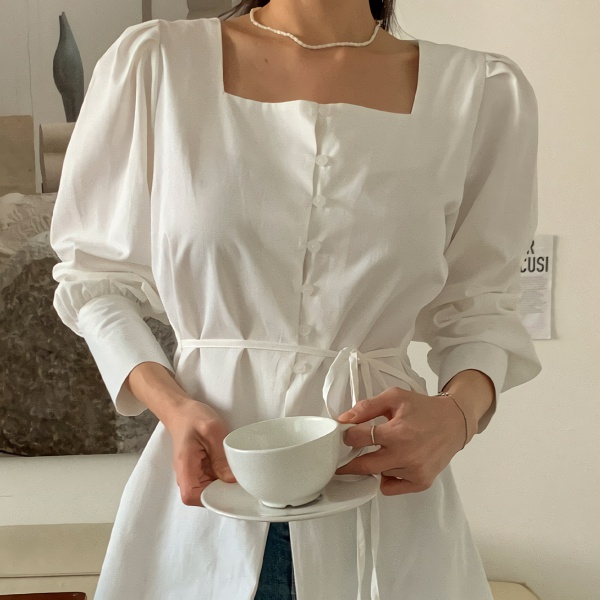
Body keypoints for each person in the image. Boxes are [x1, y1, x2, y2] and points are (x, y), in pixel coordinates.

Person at [49, 0, 542, 598]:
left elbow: (482, 306)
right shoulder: (156, 65)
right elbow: (94, 280)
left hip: (382, 507)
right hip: (206, 505)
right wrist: (173, 407)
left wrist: (457, 417)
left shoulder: (478, 92)